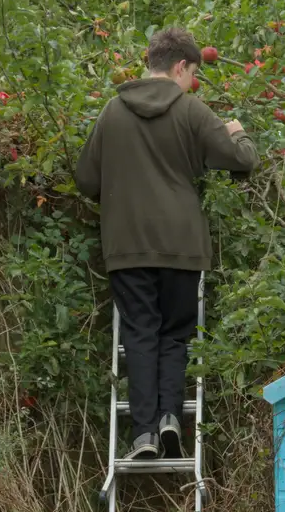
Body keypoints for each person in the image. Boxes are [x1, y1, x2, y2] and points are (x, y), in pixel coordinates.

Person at [75, 27, 257, 459]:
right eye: (193, 73)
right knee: (175, 334)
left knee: (139, 333)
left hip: (126, 246)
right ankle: (171, 417)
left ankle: (143, 435)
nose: (192, 81)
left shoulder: (112, 112)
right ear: (180, 66)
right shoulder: (192, 111)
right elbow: (242, 160)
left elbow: (86, 180)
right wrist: (238, 132)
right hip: (182, 244)